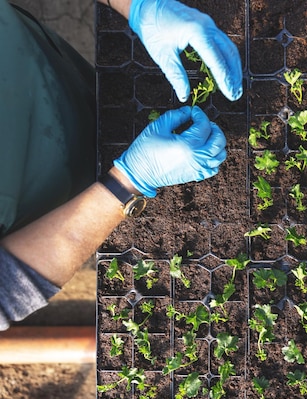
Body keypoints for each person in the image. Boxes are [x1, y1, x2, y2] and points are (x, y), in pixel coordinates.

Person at [0, 0, 243, 330]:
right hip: (55, 207)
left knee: (87, 101)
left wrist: (137, 6)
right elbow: (7, 289)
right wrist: (125, 184)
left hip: (32, 65)